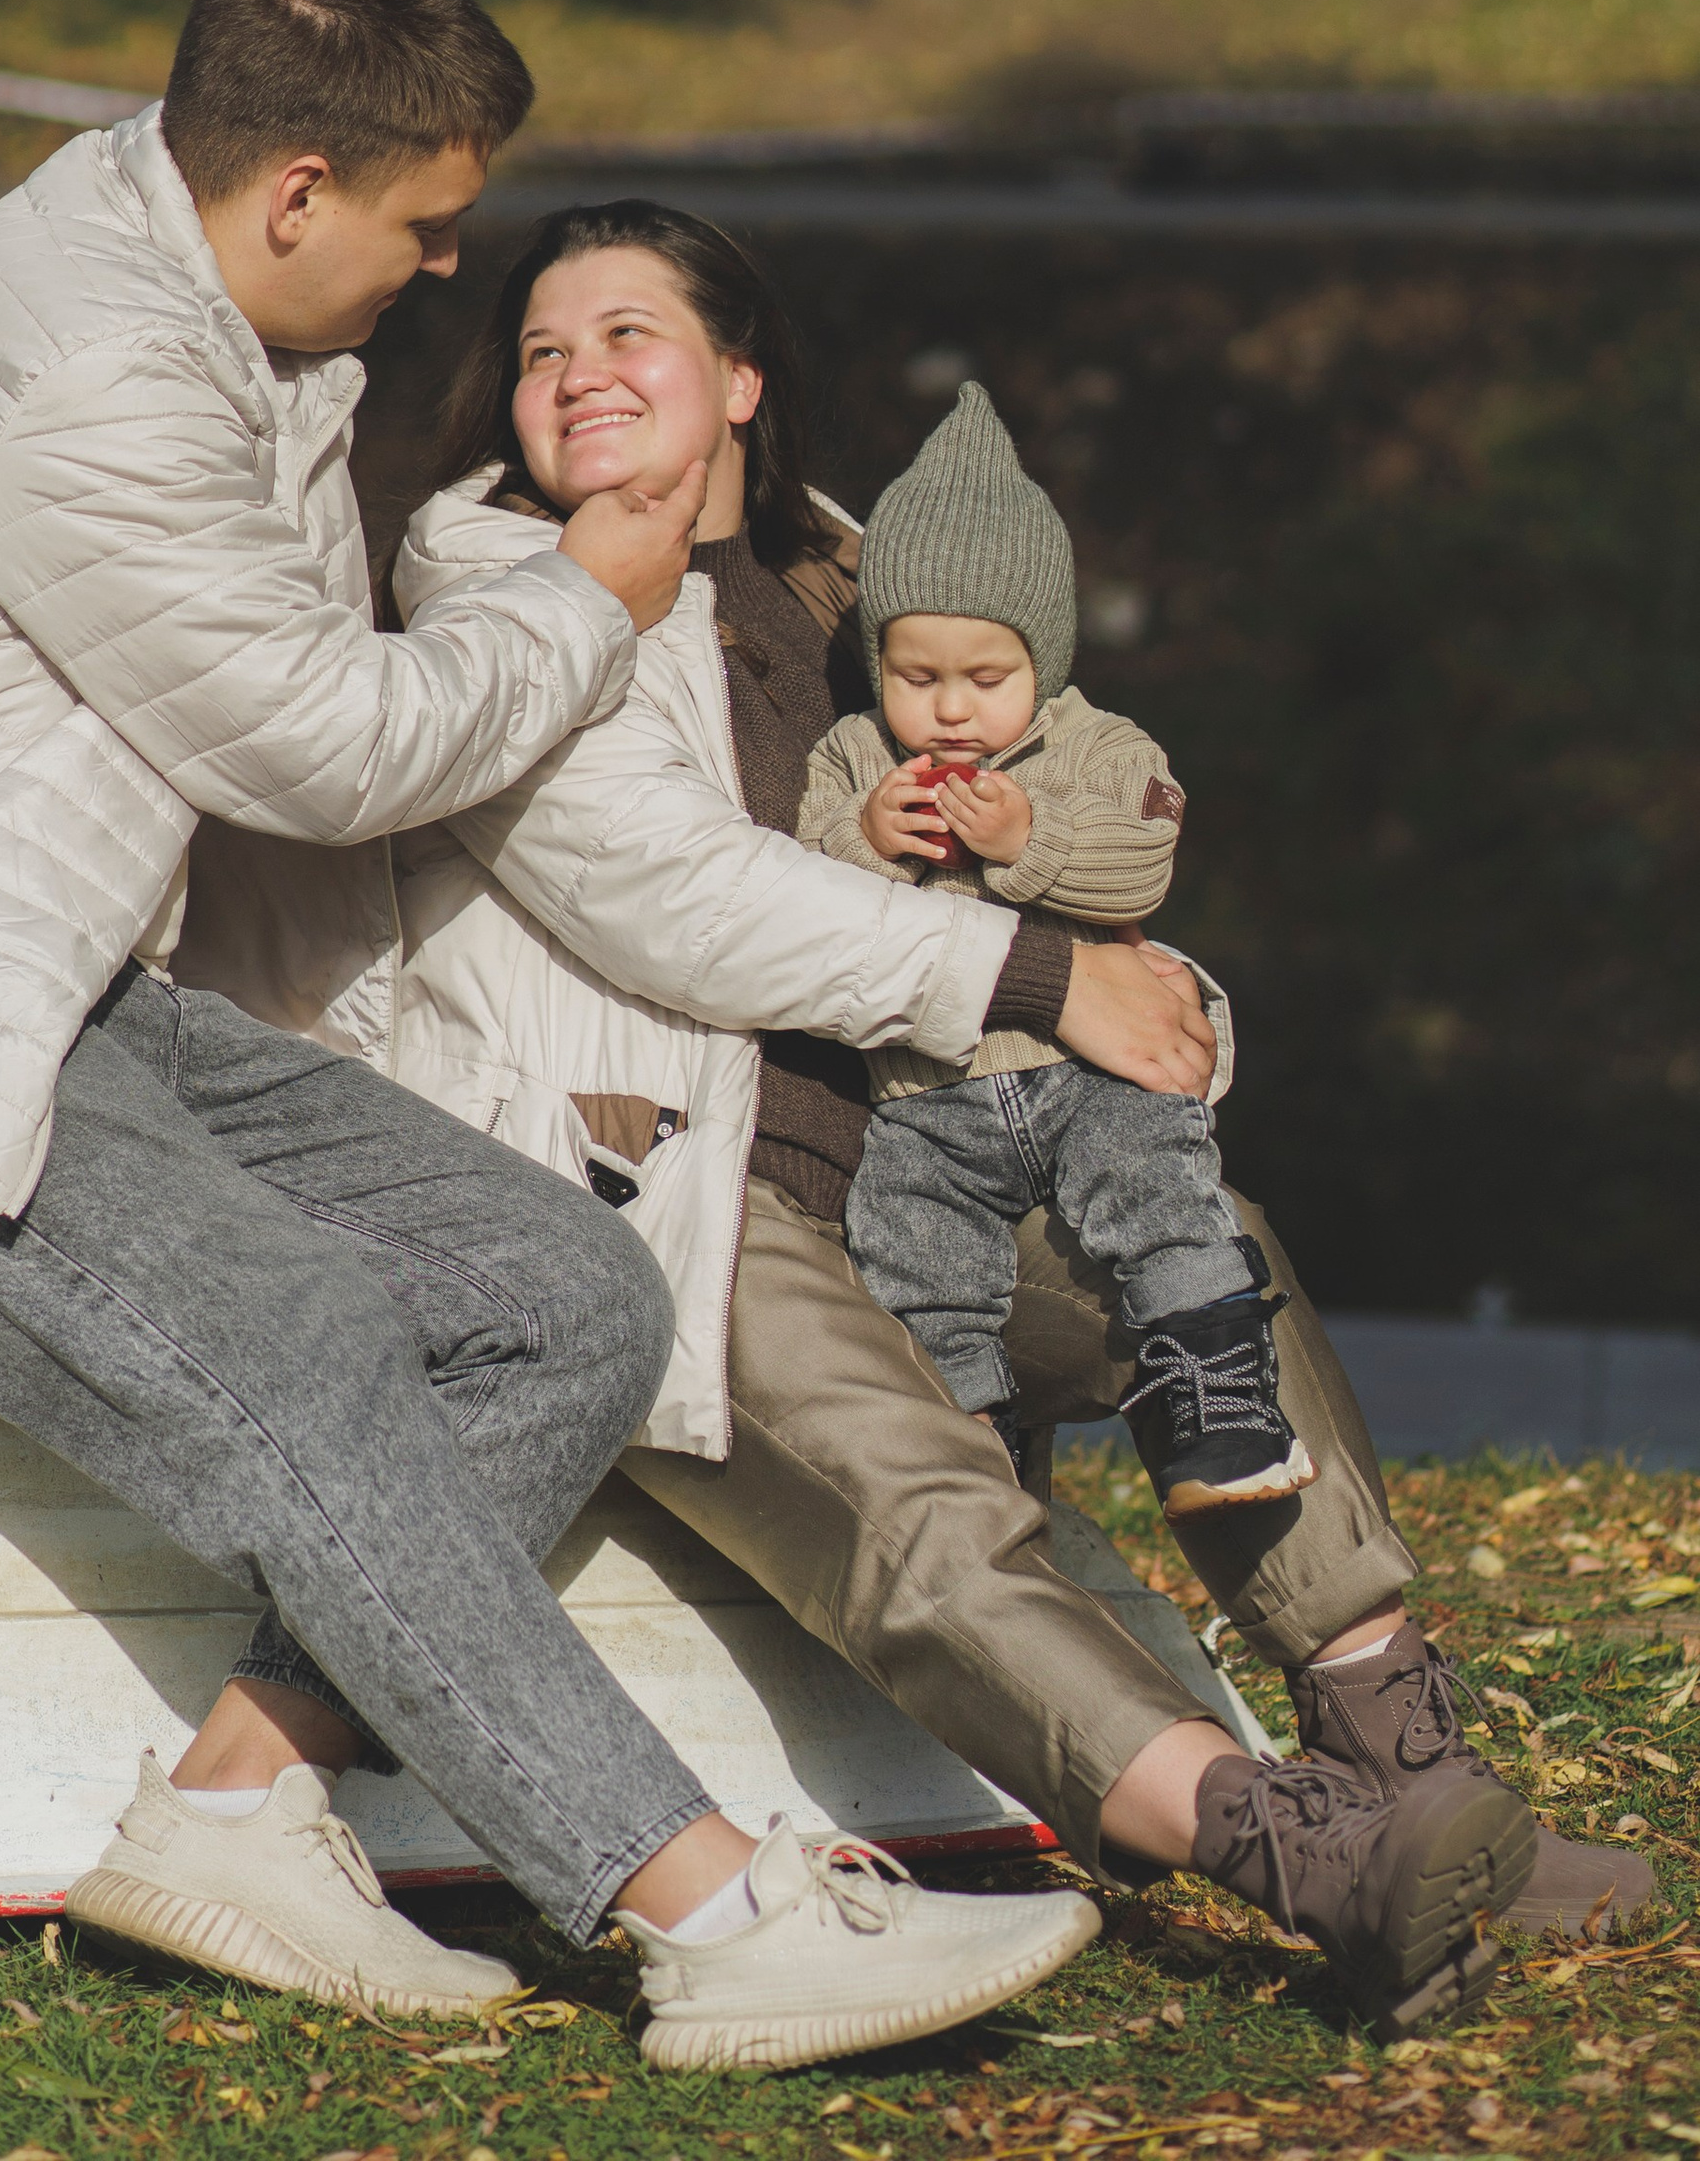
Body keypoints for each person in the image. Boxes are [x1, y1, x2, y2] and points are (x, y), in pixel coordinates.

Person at [0, 0, 1098, 2072]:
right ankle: (701, 1910)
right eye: (429, 226)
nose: (449, 276)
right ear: (296, 195)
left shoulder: (222, 313)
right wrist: (586, 592)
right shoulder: (98, 370)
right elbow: (321, 747)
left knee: (555, 1290)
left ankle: (238, 1802)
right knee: (308, 1339)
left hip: (37, 991)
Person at [385, 199, 1648, 2033]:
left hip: (931, 1145)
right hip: (662, 1177)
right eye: (539, 349)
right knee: (918, 1510)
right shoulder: (506, 594)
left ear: (741, 379)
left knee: (1221, 1272)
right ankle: (1296, 1855)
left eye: (626, 334)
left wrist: (1158, 1004)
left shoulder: (859, 587)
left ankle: (1408, 1768)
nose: (575, 374)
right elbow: (665, 895)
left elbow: (1071, 831)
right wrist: (1048, 988)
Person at [809, 379, 1312, 1518]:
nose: (946, 711)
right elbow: (795, 894)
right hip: (926, 1097)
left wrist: (1028, 840)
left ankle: (1219, 1397)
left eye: (984, 679)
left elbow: (1141, 862)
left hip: (1087, 1074)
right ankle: (970, 1444)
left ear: (1043, 656)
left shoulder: (1098, 744)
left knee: (1164, 1199)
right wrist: (867, 839)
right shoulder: (850, 758)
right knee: (910, 1252)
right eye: (913, 676)